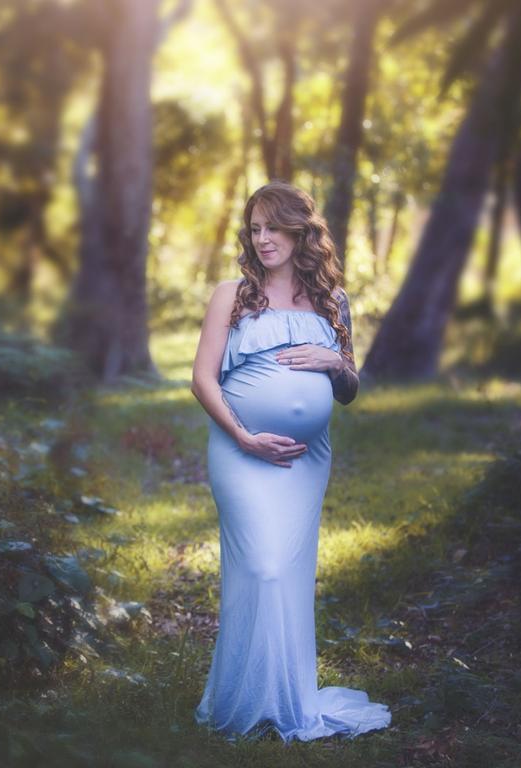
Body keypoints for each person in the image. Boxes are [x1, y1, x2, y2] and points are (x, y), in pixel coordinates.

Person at [190, 181, 391, 741]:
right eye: (255, 229)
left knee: (289, 576)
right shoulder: (232, 294)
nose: (263, 239)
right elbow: (202, 380)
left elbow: (349, 388)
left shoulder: (332, 301)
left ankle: (285, 702)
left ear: (301, 230)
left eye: (273, 227)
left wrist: (334, 359)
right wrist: (245, 436)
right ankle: (241, 702)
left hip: (307, 460)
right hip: (240, 450)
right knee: (263, 565)